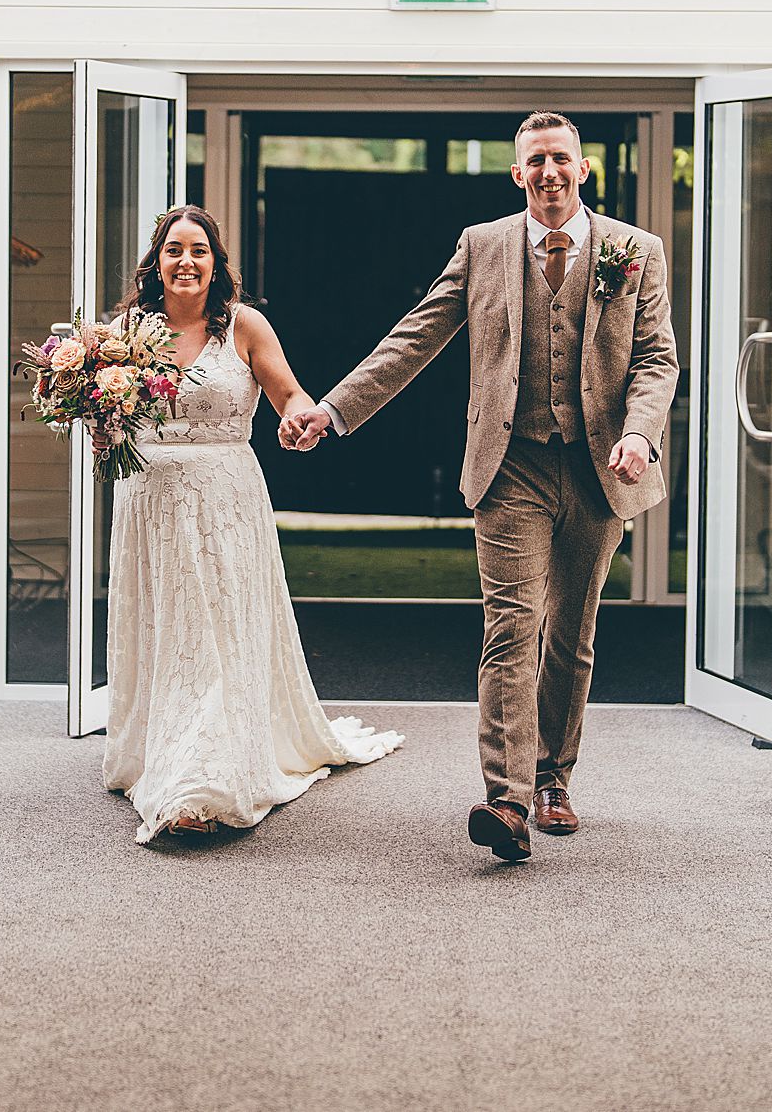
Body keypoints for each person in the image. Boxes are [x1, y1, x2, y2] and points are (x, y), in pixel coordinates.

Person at [282, 112, 677, 863]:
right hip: (511, 465)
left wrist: (639, 432)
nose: (549, 172)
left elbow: (657, 358)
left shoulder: (634, 250)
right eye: (536, 161)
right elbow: (415, 336)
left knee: (571, 632)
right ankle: (508, 801)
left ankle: (554, 775)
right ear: (517, 173)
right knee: (509, 627)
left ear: (584, 170)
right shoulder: (483, 246)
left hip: (598, 467)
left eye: (562, 159)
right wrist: (332, 410)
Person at [101, 205, 403, 843]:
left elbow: (288, 393)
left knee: (217, 631)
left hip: (223, 500)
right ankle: (161, 749)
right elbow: (107, 420)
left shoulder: (244, 326)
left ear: (216, 264)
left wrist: (299, 415)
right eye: (175, 250)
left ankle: (204, 776)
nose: (187, 262)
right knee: (169, 629)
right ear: (156, 263)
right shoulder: (126, 332)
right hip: (149, 501)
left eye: (200, 251)